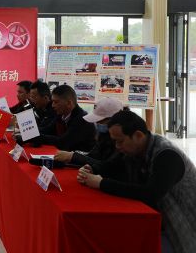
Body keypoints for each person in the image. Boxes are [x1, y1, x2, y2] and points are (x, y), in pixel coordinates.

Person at [77, 110, 196, 253]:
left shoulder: (167, 155)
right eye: (115, 141)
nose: (117, 146)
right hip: (157, 221)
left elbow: (150, 193)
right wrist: (92, 169)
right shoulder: (136, 149)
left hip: (182, 228)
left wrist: (101, 183)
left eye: (120, 141)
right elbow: (112, 166)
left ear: (138, 135)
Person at [54, 97, 123, 168]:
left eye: (100, 121)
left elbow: (108, 166)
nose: (97, 123)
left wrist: (73, 157)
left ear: (114, 119)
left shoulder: (122, 142)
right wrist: (70, 157)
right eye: (96, 121)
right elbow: (93, 156)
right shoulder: (103, 135)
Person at [25, 85, 95, 152]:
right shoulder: (61, 115)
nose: (52, 105)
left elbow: (63, 142)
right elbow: (47, 129)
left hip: (81, 158)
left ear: (69, 103)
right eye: (52, 102)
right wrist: (27, 132)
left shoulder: (83, 119)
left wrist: (33, 137)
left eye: (56, 102)